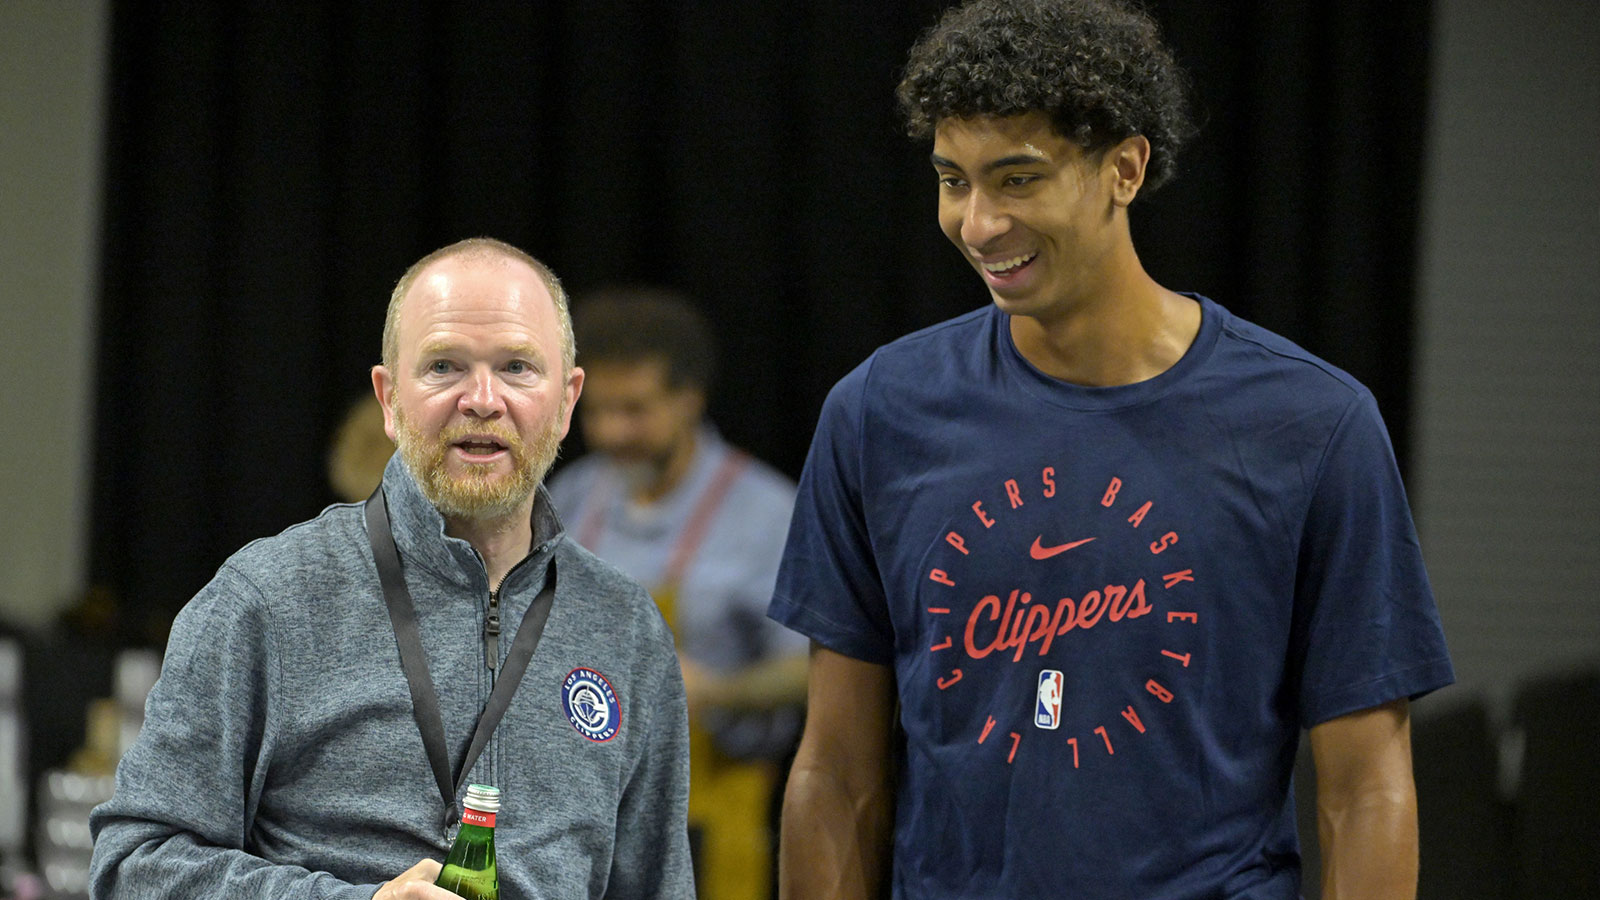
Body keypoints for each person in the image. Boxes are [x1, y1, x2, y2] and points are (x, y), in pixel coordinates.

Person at [767, 2, 1454, 899]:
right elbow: (836, 773)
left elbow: (1366, 792)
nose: (977, 224)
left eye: (1017, 180)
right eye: (953, 179)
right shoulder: (880, 413)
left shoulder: (1312, 426)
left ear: (1124, 169)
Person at [88, 238, 694, 899]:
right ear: (388, 396)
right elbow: (134, 867)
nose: (483, 399)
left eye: (518, 367)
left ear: (569, 397)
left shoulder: (625, 628)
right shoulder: (267, 598)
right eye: (443, 366)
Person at [546, 288, 805, 900]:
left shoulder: (768, 513)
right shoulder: (574, 494)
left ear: (688, 400)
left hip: (709, 818)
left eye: (635, 410)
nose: (612, 432)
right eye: (599, 410)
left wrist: (722, 690)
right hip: (575, 810)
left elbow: (821, 668)